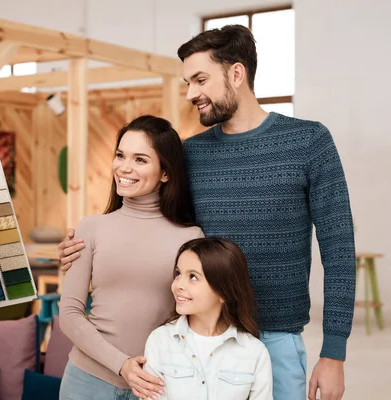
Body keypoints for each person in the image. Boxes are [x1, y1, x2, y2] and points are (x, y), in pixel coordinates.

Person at [58, 25, 356, 400]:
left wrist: (334, 352)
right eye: (187, 82)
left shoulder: (310, 142)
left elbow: (340, 253)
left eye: (200, 80)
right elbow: (154, 223)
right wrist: (80, 246)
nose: (190, 94)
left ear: (236, 73)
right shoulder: (191, 154)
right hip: (196, 340)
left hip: (277, 337)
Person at [58, 115, 204, 400]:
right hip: (86, 382)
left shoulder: (191, 238)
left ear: (165, 172)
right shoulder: (91, 228)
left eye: (140, 159)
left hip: (157, 385)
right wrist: (122, 365)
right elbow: (69, 315)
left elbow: (196, 318)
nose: (124, 167)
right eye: (121, 155)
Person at [143, 237, 272, 400]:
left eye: (193, 277)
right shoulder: (160, 341)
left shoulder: (255, 352)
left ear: (223, 292)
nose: (178, 285)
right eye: (178, 274)